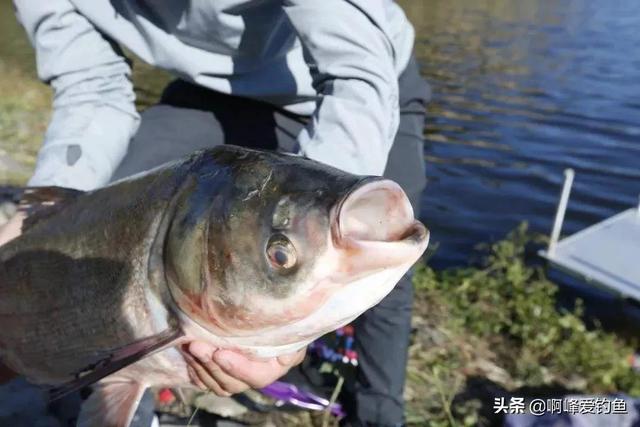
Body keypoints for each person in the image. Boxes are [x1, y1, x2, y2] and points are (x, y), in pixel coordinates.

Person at [2, 1, 430, 425]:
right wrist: (32, 227)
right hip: (210, 86)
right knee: (113, 248)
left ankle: (379, 413)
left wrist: (284, 323)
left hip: (360, 75)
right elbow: (91, 87)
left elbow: (357, 72)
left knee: (379, 253)